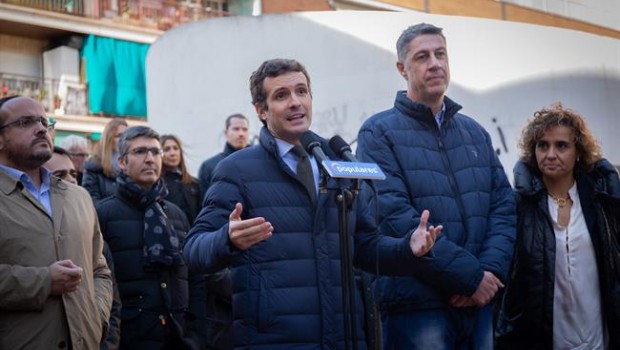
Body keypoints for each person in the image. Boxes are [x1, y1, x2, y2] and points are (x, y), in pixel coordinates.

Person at [183, 58, 443, 350]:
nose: (295, 102)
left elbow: (364, 248)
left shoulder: (337, 161)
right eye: (281, 96)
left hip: (345, 336)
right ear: (261, 110)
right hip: (274, 339)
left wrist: (408, 248)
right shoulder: (237, 169)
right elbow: (193, 251)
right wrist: (226, 238)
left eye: (301, 91)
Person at [356, 23, 516, 349]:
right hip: (417, 306)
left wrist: (488, 273)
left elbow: (504, 207)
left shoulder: (474, 133)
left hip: (481, 304)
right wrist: (471, 278)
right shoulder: (377, 133)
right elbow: (393, 216)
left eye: (440, 54)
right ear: (402, 68)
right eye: (422, 57)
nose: (435, 64)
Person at [496, 104, 620, 349]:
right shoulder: (520, 204)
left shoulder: (602, 201)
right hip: (543, 337)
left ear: (578, 152)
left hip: (598, 335)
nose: (550, 153)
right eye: (543, 145)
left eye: (561, 145)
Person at [0, 95, 113, 349]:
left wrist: (97, 318)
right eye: (25, 122)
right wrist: (43, 281)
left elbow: (100, 270)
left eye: (44, 121)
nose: (41, 128)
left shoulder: (79, 196)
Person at [96, 125, 200, 350]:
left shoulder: (175, 214)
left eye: (155, 152)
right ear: (122, 162)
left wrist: (194, 332)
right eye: (140, 152)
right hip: (130, 337)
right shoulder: (102, 214)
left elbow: (193, 275)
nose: (150, 158)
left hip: (178, 336)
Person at [43, 145, 123, 350]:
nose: (70, 180)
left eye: (73, 173)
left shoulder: (89, 223)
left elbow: (104, 279)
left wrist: (96, 323)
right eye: (59, 175)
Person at [197, 113, 249, 197]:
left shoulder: (261, 162)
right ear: (226, 133)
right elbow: (205, 203)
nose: (241, 133)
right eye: (236, 129)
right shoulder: (209, 166)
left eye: (245, 129)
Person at [83, 119, 128, 204]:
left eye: (127, 136)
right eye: (119, 136)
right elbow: (91, 202)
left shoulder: (131, 166)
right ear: (109, 139)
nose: (124, 140)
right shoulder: (94, 166)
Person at [161, 134, 201, 223]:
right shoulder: (157, 185)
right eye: (167, 149)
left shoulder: (194, 183)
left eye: (175, 148)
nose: (173, 153)